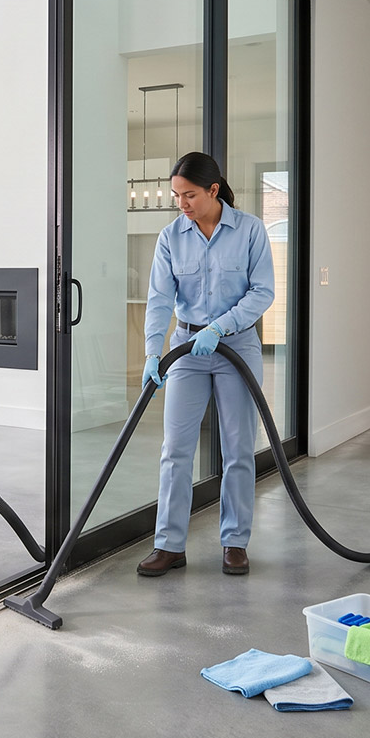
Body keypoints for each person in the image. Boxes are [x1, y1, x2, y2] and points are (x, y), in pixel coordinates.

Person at [137, 152, 275, 577]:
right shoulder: (170, 237)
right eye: (177, 195)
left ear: (214, 190)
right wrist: (151, 351)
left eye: (189, 194)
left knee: (237, 450)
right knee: (175, 450)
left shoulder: (250, 230)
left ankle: (235, 543)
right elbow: (160, 299)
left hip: (237, 348)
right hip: (186, 350)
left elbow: (262, 291)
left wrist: (219, 327)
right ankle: (169, 545)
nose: (181, 203)